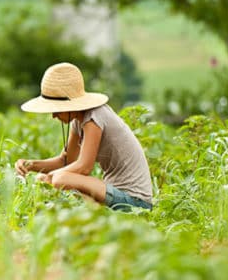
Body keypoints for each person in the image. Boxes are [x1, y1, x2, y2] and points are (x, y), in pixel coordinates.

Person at [15, 62, 153, 211]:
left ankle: (100, 215)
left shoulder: (95, 116)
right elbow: (65, 161)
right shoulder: (78, 120)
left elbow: (84, 167)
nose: (54, 115)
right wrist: (30, 165)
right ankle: (100, 217)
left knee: (61, 180)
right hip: (115, 194)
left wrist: (49, 178)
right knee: (62, 183)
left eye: (56, 109)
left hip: (135, 202)